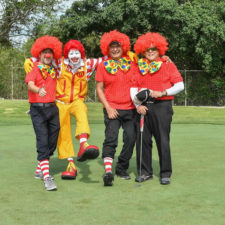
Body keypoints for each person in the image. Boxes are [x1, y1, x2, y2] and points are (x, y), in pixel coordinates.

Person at [25, 40, 106, 179]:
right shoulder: (60, 63)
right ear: (67, 54)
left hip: (76, 101)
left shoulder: (87, 64)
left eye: (77, 53)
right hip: (60, 102)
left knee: (82, 110)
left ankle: (83, 144)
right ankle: (70, 164)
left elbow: (106, 59)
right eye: (71, 53)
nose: (74, 56)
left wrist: (128, 54)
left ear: (81, 54)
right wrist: (30, 61)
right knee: (64, 132)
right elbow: (42, 58)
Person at [131, 32, 184, 185]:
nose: (151, 51)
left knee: (163, 140)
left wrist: (163, 92)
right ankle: (145, 172)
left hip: (162, 106)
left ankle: (165, 173)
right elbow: (133, 87)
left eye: (153, 48)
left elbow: (180, 85)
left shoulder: (167, 64)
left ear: (159, 49)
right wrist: (137, 105)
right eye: (147, 49)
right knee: (143, 140)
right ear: (143, 51)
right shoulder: (138, 65)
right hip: (143, 107)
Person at [96, 30, 138, 186]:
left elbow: (148, 64)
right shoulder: (102, 66)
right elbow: (99, 89)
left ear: (123, 47)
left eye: (118, 46)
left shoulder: (132, 63)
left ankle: (121, 168)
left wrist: (164, 58)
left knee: (130, 139)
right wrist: (108, 107)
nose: (115, 49)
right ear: (107, 48)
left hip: (130, 109)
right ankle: (108, 172)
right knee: (111, 139)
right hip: (112, 109)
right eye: (112, 47)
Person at [25, 35, 62, 191]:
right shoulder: (34, 69)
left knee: (52, 139)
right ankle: (47, 177)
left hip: (52, 109)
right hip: (38, 110)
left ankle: (40, 167)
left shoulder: (54, 70)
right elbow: (30, 84)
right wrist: (38, 90)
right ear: (39, 54)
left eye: (50, 52)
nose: (47, 55)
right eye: (44, 52)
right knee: (43, 140)